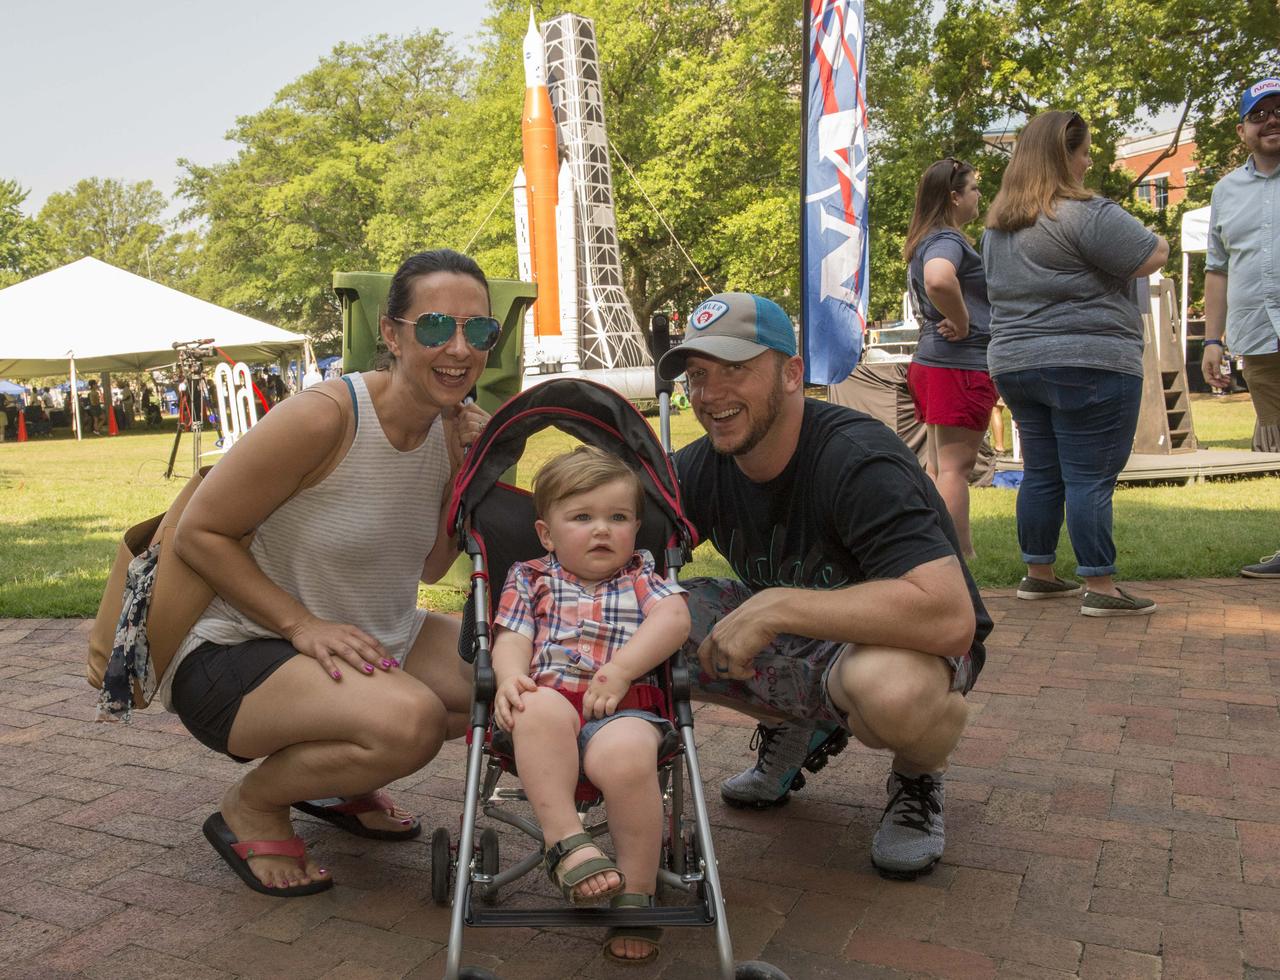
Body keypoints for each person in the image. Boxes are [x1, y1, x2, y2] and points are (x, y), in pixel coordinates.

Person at [153, 249, 495, 897]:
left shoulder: (450, 432)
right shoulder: (327, 416)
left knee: (503, 678)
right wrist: (301, 624)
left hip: (359, 636)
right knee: (412, 723)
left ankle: (342, 780)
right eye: (433, 327)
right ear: (391, 335)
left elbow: (431, 564)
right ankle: (253, 805)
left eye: (478, 330)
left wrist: (470, 477)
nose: (458, 347)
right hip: (236, 650)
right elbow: (201, 532)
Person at [656, 291, 991, 880]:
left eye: (736, 370)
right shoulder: (702, 466)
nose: (710, 395)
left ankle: (917, 776)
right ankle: (797, 726)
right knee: (639, 620)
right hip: (802, 638)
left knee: (890, 693)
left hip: (902, 644)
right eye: (698, 375)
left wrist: (777, 605)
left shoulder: (857, 461)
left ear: (791, 374)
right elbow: (597, 536)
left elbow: (949, 616)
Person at [491, 446, 690, 964]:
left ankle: (636, 895)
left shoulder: (640, 574)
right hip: (551, 704)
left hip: (624, 707)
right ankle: (567, 843)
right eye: (582, 518)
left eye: (618, 518)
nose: (602, 530)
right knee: (535, 707)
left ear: (636, 529)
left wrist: (622, 669)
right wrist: (511, 677)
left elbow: (673, 620)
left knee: (625, 755)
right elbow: (512, 635)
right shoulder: (530, 576)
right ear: (547, 534)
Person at [982, 110, 1169, 615]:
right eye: (1084, 152)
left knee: (1042, 470)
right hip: (1091, 360)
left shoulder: (997, 229)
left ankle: (1038, 574)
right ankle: (1101, 588)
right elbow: (1151, 255)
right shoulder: (1086, 214)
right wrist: (1164, 240)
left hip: (1016, 363)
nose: (1089, 161)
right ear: (1063, 156)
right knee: (1090, 477)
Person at [1201, 78, 1280, 579]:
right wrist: (1212, 339)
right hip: (1259, 337)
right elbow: (1217, 268)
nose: (1272, 120)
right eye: (1261, 114)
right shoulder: (1225, 190)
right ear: (1243, 129)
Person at [904, 157, 998, 558]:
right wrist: (961, 320)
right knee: (957, 469)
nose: (979, 196)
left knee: (940, 467)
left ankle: (933, 549)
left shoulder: (924, 239)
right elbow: (939, 279)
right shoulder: (947, 241)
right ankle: (959, 555)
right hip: (959, 364)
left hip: (933, 363)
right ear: (954, 196)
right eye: (974, 189)